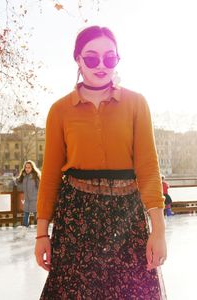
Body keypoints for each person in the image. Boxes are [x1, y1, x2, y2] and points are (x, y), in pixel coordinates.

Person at [35, 25, 167, 299]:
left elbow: (148, 170)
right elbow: (49, 176)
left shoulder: (136, 103)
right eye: (92, 58)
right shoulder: (60, 110)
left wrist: (159, 231)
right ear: (78, 59)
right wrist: (41, 234)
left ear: (117, 59)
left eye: (110, 58)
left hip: (126, 219)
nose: (101, 65)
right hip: (76, 220)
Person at [15, 160, 40, 237]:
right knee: (25, 214)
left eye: (29, 167)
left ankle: (40, 231)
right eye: (26, 167)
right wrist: (18, 179)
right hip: (27, 200)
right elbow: (19, 186)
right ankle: (24, 229)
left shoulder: (35, 177)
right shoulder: (24, 177)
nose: (27, 169)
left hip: (35, 199)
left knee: (37, 216)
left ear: (32, 168)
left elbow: (40, 187)